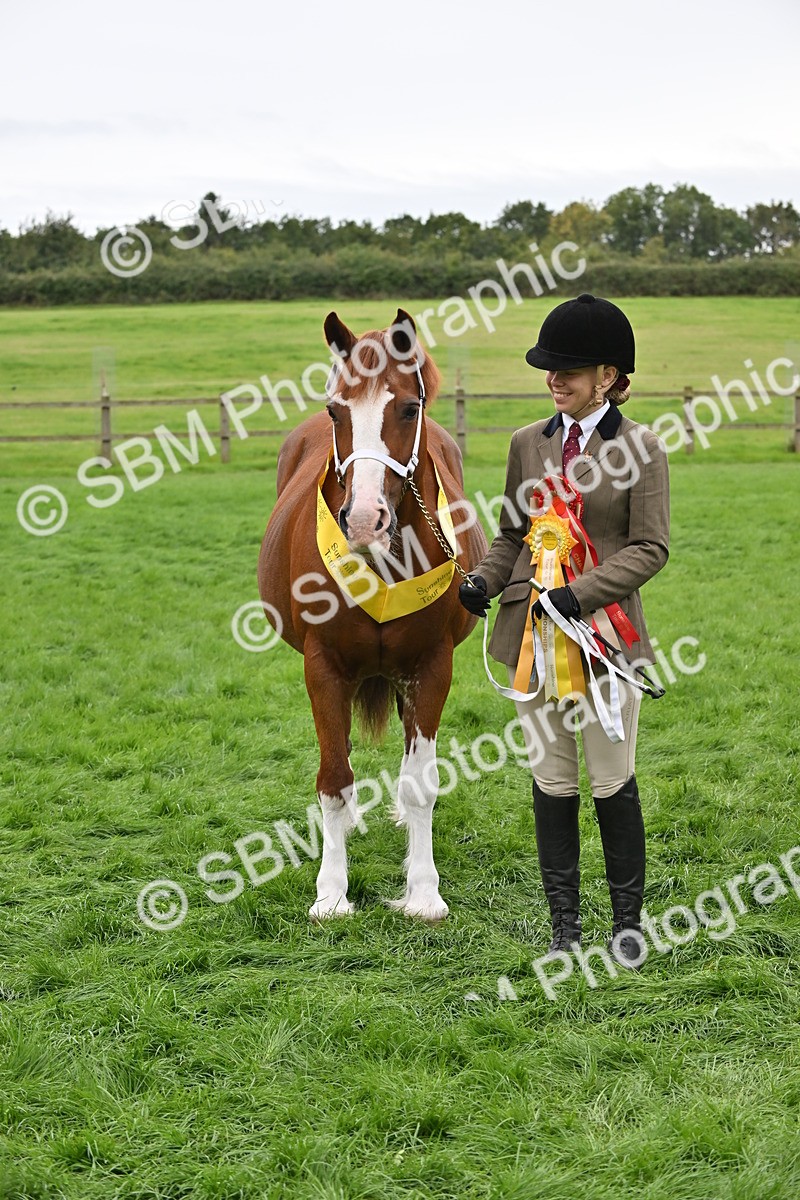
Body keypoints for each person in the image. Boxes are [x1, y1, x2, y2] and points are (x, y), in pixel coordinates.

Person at [459, 293, 669, 967]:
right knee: (552, 780)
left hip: (605, 639)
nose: (555, 379)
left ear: (608, 376)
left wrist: (579, 596)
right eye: (550, 368)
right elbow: (513, 534)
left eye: (569, 369)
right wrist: (484, 582)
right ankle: (564, 927)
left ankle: (627, 925)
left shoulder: (641, 448)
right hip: (532, 642)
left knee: (612, 780)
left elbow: (649, 547)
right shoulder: (528, 443)